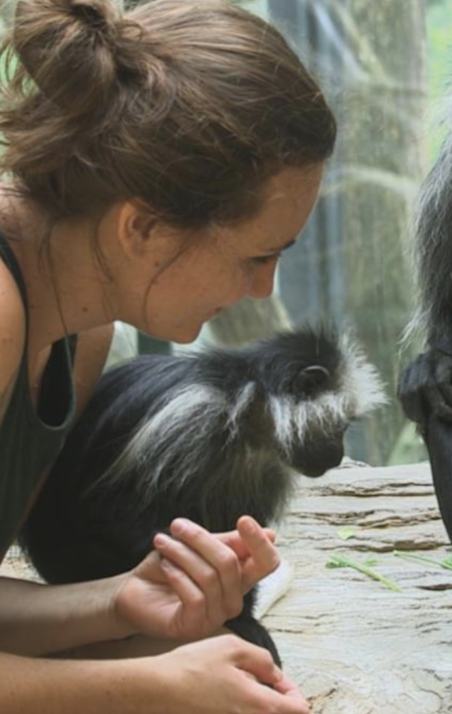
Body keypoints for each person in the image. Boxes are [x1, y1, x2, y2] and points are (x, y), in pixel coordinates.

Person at [0, 0, 336, 711]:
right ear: (144, 228)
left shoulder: (78, 328)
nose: (264, 288)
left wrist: (123, 603)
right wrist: (143, 682)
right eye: (257, 254)